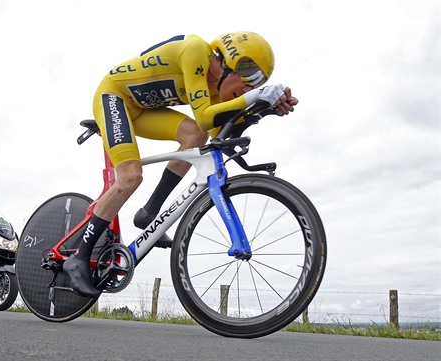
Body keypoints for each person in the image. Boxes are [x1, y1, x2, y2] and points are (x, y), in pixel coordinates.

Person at [63, 31, 299, 297]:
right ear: (225, 64)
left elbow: (222, 130)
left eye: (255, 87)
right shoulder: (196, 52)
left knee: (195, 137)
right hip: (114, 96)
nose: (247, 91)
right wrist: (257, 97)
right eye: (247, 84)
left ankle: (150, 212)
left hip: (141, 110)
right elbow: (205, 117)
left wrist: (264, 110)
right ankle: (79, 258)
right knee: (130, 176)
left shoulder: (215, 85)